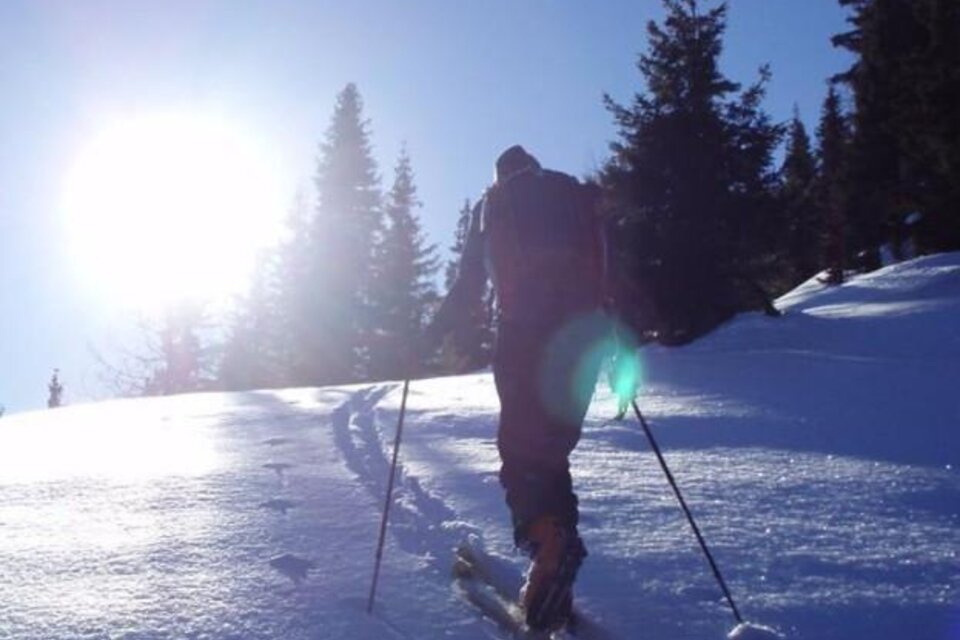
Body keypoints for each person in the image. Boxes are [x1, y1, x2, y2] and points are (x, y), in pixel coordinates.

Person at [429, 145, 616, 631]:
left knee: (519, 451)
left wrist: (434, 330)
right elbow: (610, 272)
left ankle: (548, 540)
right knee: (551, 453)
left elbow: (471, 281)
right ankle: (552, 563)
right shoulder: (575, 200)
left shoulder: (496, 202)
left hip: (526, 333)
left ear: (501, 175)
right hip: (585, 336)